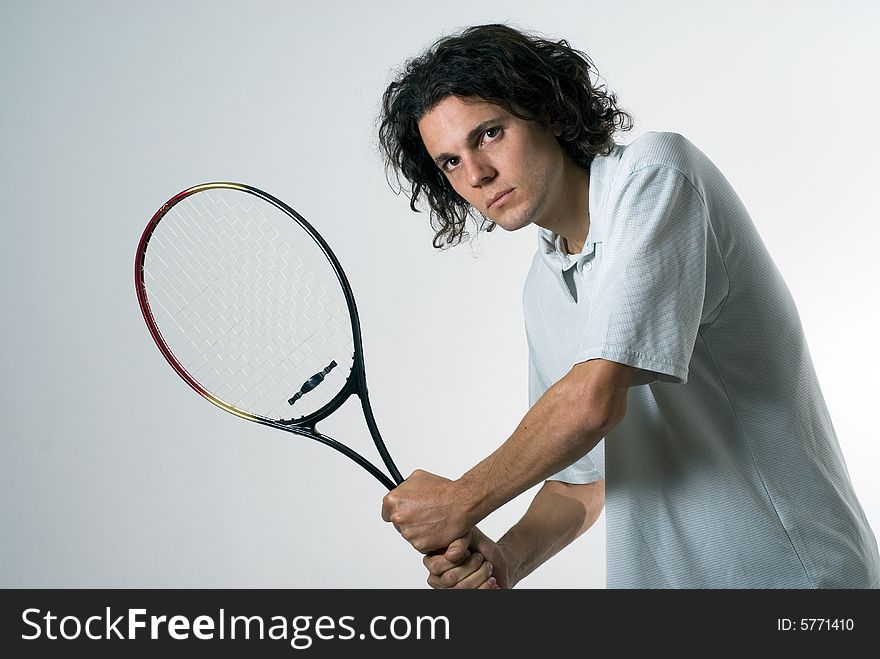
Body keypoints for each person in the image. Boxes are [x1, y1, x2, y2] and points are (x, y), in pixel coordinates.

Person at [377, 23, 880, 589]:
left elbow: (592, 403)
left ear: (552, 111)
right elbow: (582, 481)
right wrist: (509, 560)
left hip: (796, 587)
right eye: (449, 162)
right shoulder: (542, 288)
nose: (476, 174)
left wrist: (460, 499)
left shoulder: (657, 177)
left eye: (489, 134)